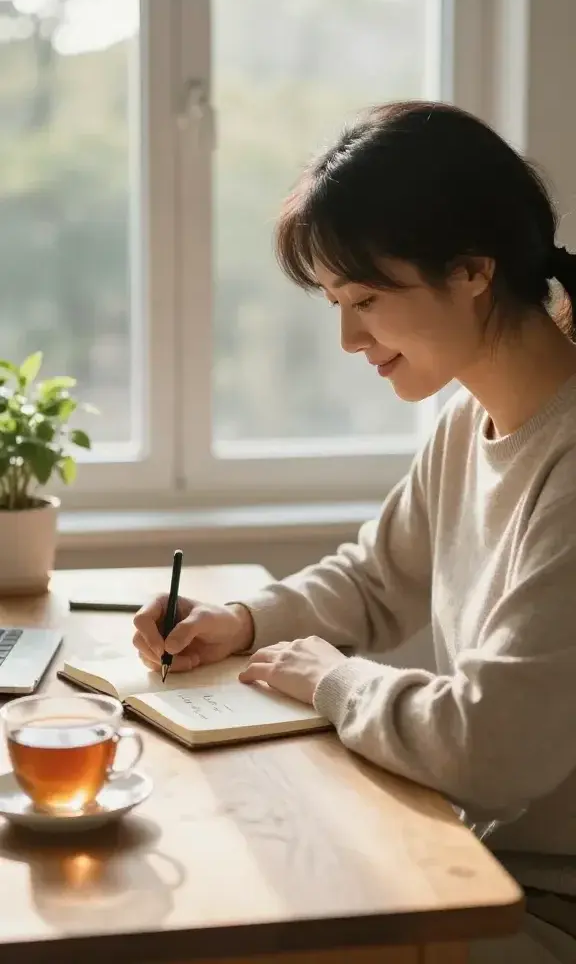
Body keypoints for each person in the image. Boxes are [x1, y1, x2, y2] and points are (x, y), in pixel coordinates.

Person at [133, 102, 576, 963]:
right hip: (472, 857)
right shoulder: (468, 420)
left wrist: (334, 681)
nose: (347, 337)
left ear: (474, 271)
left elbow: (493, 748)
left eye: (366, 298)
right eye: (336, 302)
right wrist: (245, 622)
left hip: (539, 903)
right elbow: (377, 579)